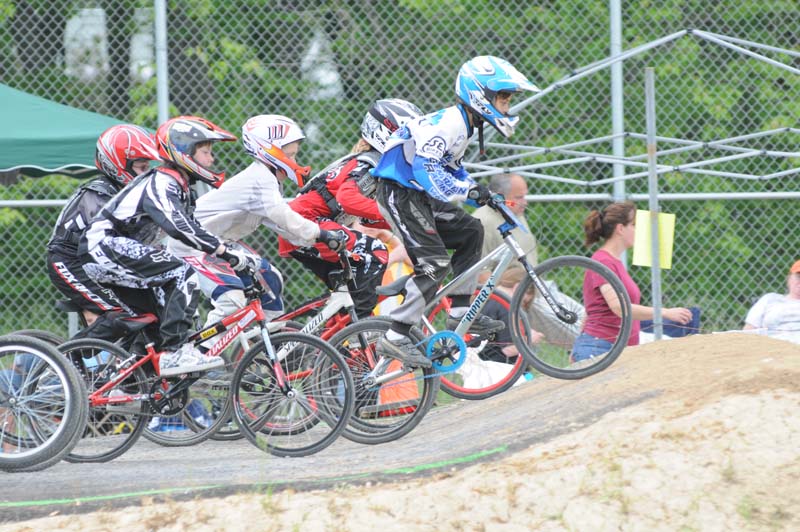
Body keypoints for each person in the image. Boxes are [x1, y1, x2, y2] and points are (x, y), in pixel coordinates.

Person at [372, 55, 541, 368]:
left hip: (417, 194)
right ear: (481, 96)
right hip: (400, 193)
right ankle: (395, 336)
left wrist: (481, 194)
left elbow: (453, 171)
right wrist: (466, 192)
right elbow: (425, 168)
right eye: (503, 99)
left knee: (471, 230)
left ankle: (461, 312)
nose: (507, 106)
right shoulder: (450, 124)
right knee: (434, 263)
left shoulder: (464, 125)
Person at [80, 115, 244, 376]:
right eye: (205, 152)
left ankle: (127, 384)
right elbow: (178, 226)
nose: (212, 159)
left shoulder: (182, 187)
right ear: (184, 152)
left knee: (157, 319)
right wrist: (223, 251)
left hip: (117, 253)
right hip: (103, 247)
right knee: (182, 273)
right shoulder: (162, 181)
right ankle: (175, 353)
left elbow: (195, 229)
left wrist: (230, 255)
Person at [167, 114, 347, 334]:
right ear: (269, 150)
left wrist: (318, 242)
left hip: (221, 242)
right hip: (193, 245)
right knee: (232, 299)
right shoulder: (260, 179)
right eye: (290, 154)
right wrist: (322, 233)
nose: (295, 160)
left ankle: (270, 339)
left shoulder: (268, 179)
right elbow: (284, 216)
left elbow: (282, 226)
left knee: (271, 280)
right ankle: (203, 351)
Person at [277, 99, 422, 318]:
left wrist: (404, 223)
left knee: (347, 292)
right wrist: (392, 213)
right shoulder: (367, 165)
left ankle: (320, 335)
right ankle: (358, 328)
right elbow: (347, 199)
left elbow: (366, 216)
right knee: (375, 252)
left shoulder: (374, 165)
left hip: (305, 226)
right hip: (305, 223)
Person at [46, 124, 160, 341]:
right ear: (118, 165)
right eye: (142, 167)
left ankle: (133, 360)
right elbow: (109, 241)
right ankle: (64, 359)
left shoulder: (126, 192)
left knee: (153, 311)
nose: (147, 174)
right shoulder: (99, 193)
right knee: (124, 314)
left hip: (99, 262)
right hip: (69, 260)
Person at [572, 201, 693, 361]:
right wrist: (665, 313)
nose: (638, 230)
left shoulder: (614, 262)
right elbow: (618, 307)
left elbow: (591, 309)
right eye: (633, 225)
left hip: (614, 348)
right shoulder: (603, 261)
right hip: (600, 347)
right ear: (620, 229)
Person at [472, 172, 537, 281]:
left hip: (531, 286)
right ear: (499, 197)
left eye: (524, 196)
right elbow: (480, 274)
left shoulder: (514, 212)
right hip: (508, 290)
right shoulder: (482, 223)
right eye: (519, 197)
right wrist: (505, 288)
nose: (525, 202)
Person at [743, 259, 800, 342]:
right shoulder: (770, 299)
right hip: (769, 345)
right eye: (798, 277)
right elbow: (748, 331)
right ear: (789, 279)